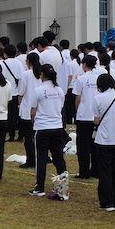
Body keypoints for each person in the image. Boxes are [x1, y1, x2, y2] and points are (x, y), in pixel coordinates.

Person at [29, 63, 68, 197]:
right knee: (58, 157)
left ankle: (39, 187)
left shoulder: (38, 90)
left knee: (41, 158)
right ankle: (63, 187)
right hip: (57, 127)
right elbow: (60, 107)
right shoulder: (59, 90)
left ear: (42, 75)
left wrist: (33, 121)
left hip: (42, 127)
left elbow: (33, 110)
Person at [93, 72, 115, 211]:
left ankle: (107, 201)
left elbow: (96, 120)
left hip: (104, 140)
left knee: (105, 171)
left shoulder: (98, 99)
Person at [17, 52, 41, 169]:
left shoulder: (26, 74)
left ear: (29, 62)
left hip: (27, 109)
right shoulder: (41, 73)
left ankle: (30, 160)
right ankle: (38, 159)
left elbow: (21, 92)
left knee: (28, 138)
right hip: (39, 110)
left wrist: (19, 104)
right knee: (37, 137)